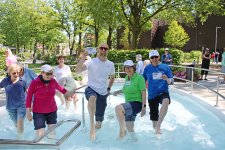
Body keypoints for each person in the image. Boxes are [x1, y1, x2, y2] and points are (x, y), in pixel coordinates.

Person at [76, 43, 115, 140]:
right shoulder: (90, 61)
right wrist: (83, 57)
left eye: (105, 48)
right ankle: (91, 126)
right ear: (98, 49)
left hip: (103, 93)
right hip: (91, 88)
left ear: (108, 50)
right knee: (92, 99)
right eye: (101, 48)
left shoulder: (110, 64)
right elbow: (77, 70)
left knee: (99, 124)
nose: (103, 50)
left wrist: (109, 88)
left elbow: (113, 77)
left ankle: (95, 138)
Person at [26, 64, 68, 138]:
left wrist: (70, 93)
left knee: (52, 134)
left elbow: (61, 89)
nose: (50, 75)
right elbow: (29, 97)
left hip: (52, 111)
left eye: (51, 74)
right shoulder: (34, 83)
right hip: (38, 112)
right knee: (40, 135)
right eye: (47, 73)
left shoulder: (53, 81)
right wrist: (28, 112)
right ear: (42, 73)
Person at [143, 50, 174, 134]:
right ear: (150, 59)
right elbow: (142, 81)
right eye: (152, 57)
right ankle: (156, 131)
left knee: (166, 101)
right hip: (152, 95)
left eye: (156, 57)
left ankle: (159, 126)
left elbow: (172, 81)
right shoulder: (147, 68)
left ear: (159, 57)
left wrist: (167, 79)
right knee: (154, 121)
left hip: (163, 92)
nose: (154, 59)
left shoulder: (165, 67)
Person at [113, 60, 146, 138]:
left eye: (130, 67)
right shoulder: (126, 78)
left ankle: (122, 131)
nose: (128, 69)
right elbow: (125, 89)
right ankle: (134, 142)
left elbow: (144, 93)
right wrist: (117, 91)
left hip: (136, 104)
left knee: (118, 108)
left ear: (134, 68)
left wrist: (144, 107)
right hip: (129, 105)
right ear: (124, 69)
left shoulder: (139, 78)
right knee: (129, 126)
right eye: (126, 68)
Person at [0, 64, 28, 135]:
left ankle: (21, 141)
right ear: (9, 73)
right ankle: (21, 135)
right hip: (10, 107)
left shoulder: (22, 82)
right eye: (14, 73)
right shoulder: (6, 80)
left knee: (20, 122)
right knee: (17, 125)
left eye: (18, 73)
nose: (16, 75)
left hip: (21, 106)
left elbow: (28, 92)